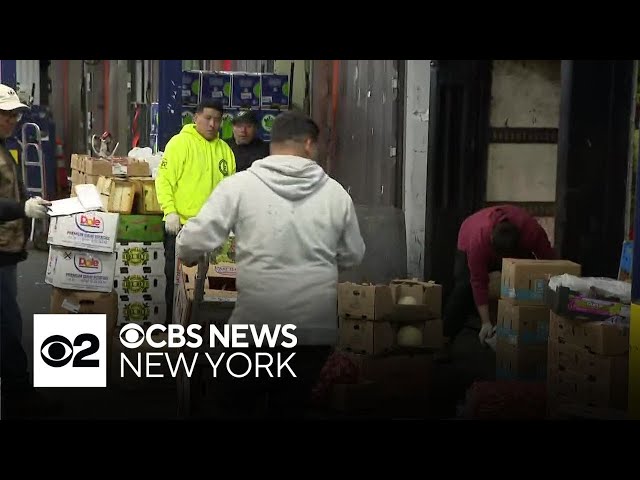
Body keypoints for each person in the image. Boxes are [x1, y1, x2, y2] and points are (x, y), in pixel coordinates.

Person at [175, 110, 365, 417]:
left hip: (256, 329)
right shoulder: (336, 194)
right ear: (308, 145)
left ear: (273, 144)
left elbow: (192, 241)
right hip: (313, 333)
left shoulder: (240, 186)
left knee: (230, 404)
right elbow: (353, 253)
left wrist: (187, 252)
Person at [0, 83, 58, 417]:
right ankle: (19, 396)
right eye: (6, 115)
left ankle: (16, 393)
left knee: (8, 322)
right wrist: (23, 209)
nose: (13, 121)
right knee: (7, 325)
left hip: (7, 251)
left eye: (15, 114)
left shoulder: (4, 146)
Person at [436, 204, 556, 362]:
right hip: (468, 235)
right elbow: (478, 281)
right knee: (464, 289)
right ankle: (445, 339)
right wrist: (486, 322)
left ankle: (521, 331)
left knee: (526, 278)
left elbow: (551, 264)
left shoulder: (532, 232)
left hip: (515, 247)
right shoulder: (478, 240)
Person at [155, 98, 236, 323]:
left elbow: (231, 191)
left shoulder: (225, 151)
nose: (212, 124)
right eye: (208, 118)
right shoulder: (180, 143)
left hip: (215, 231)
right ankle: (173, 331)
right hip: (181, 227)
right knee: (178, 283)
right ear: (196, 118)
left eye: (217, 120)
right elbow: (164, 180)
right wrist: (169, 211)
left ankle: (203, 335)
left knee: (213, 286)